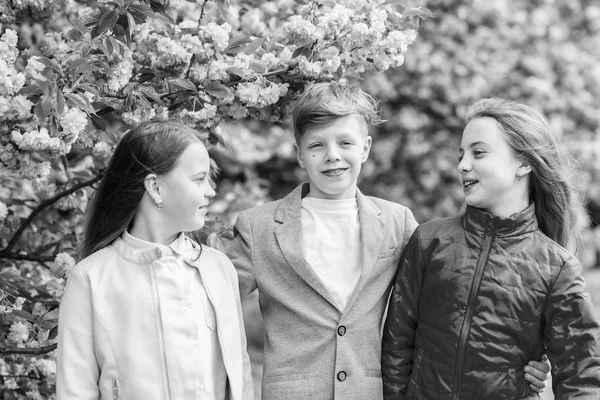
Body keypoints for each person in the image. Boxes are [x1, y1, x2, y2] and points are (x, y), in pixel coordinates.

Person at [224, 84, 550, 399]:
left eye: (345, 143)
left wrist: (518, 352)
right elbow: (210, 299)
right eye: (317, 146)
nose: (332, 156)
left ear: (365, 148)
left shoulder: (398, 222)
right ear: (299, 154)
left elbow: (451, 302)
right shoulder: (260, 226)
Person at [381, 97, 600, 399]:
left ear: (524, 163)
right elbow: (397, 344)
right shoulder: (429, 240)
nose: (462, 165)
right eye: (461, 155)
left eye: (478, 153)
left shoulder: (558, 268)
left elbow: (582, 377)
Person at [56, 121, 253, 400]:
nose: (211, 191)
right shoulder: (91, 279)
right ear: (155, 187)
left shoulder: (218, 268)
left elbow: (240, 375)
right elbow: (74, 391)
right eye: (199, 179)